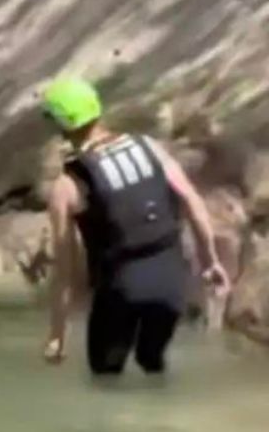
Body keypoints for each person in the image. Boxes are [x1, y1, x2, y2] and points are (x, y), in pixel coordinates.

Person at [41, 76, 228, 375]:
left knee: (106, 379)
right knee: (151, 363)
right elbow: (192, 201)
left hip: (120, 289)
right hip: (171, 283)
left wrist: (57, 335)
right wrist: (211, 262)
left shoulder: (67, 186)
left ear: (62, 124)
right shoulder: (149, 147)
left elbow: (64, 274)